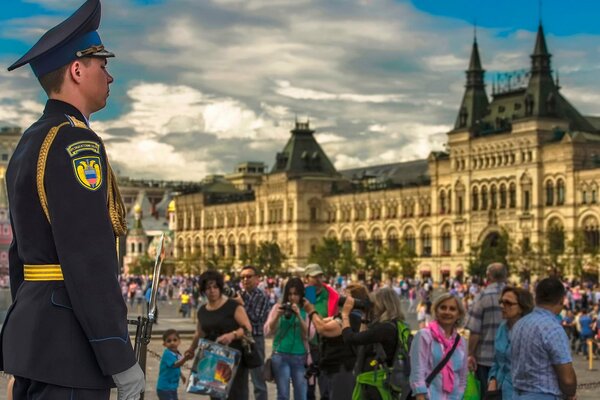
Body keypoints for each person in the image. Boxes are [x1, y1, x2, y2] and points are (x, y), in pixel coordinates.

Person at [1, 1, 145, 399]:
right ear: (77, 70)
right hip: (71, 354)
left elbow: (20, 256)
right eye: (102, 65)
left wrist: (30, 335)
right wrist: (118, 356)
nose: (110, 76)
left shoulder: (32, 140)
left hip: (37, 343)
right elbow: (88, 256)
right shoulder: (75, 142)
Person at [184, 270, 252, 400]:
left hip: (233, 360)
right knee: (216, 396)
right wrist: (191, 350)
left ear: (220, 288)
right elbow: (200, 332)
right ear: (203, 290)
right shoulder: (202, 310)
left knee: (236, 395)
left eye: (215, 287)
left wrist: (232, 335)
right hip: (212, 359)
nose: (212, 290)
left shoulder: (233, 306)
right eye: (208, 288)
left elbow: (247, 328)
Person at [511, 278, 577, 400]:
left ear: (536, 298)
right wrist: (570, 392)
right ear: (562, 300)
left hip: (516, 394)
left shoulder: (519, 324)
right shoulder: (553, 329)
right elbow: (568, 380)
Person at [304, 283, 370, 400]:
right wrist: (312, 309)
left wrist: (311, 311)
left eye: (346, 296)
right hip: (334, 368)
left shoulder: (352, 317)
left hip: (342, 369)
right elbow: (323, 322)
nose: (341, 298)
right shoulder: (346, 316)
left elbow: (322, 329)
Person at [341, 287, 407, 400]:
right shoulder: (394, 324)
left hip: (376, 386)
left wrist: (345, 315)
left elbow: (350, 338)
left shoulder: (384, 329)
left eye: (375, 303)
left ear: (383, 305)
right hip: (380, 381)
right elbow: (362, 340)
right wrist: (364, 317)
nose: (372, 306)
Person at [409, 293, 468, 400]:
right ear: (436, 310)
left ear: (458, 314)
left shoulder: (461, 341)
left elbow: (462, 376)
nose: (447, 312)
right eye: (443, 307)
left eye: (452, 309)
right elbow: (417, 374)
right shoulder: (424, 336)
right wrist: (420, 397)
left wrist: (459, 395)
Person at [465, 262, 507, 398]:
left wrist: (470, 353)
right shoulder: (516, 295)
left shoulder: (482, 296)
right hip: (510, 359)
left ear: (488, 276)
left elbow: (474, 331)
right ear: (505, 275)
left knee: (487, 395)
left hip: (485, 358)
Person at [264, 277, 310, 400]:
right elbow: (268, 331)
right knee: (283, 394)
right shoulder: (277, 308)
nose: (292, 297)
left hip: (299, 356)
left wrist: (299, 316)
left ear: (301, 294)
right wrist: (278, 315)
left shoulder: (306, 310)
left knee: (301, 394)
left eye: (295, 294)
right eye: (289, 294)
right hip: (280, 355)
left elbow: (308, 335)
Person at [487, 287, 534, 400]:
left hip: (522, 393)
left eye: (508, 303)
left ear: (522, 307)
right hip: (499, 390)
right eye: (501, 302)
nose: (502, 306)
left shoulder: (531, 331)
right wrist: (492, 379)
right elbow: (497, 360)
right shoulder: (502, 328)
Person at [303, 264, 339, 400]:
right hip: (307, 346)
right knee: (308, 389)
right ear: (306, 278)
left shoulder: (330, 294)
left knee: (326, 388)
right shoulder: (306, 293)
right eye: (314, 277)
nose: (318, 279)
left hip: (326, 345)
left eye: (320, 276)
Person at [239, 265, 271, 400]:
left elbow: (255, 318)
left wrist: (240, 304)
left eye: (249, 276)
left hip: (255, 339)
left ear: (257, 279)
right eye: (242, 277)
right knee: (240, 379)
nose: (245, 280)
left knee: (258, 379)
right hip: (240, 339)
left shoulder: (261, 296)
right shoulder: (240, 295)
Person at [157, 329, 192, 400]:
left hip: (172, 387)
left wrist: (181, 375)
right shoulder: (167, 354)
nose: (172, 342)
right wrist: (185, 358)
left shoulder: (176, 354)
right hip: (165, 388)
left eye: (175, 340)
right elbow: (176, 365)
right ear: (164, 344)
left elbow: (175, 367)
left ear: (179, 341)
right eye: (169, 341)